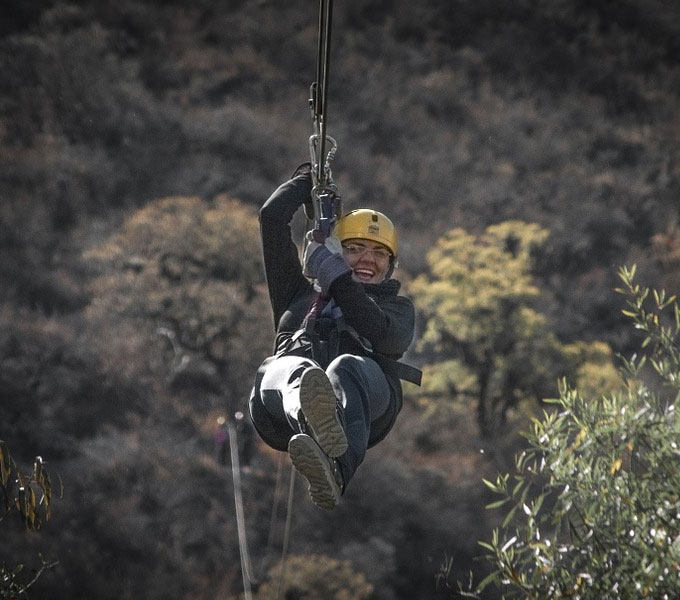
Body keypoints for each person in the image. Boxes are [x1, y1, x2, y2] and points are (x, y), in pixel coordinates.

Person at [249, 163, 420, 510]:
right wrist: (307, 182)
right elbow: (272, 218)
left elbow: (381, 334)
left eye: (379, 253)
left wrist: (334, 275)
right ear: (335, 249)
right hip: (281, 412)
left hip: (363, 408)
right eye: (355, 248)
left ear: (391, 265)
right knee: (289, 367)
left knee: (345, 366)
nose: (367, 260)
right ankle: (311, 417)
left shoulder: (398, 309)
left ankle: (336, 468)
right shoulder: (296, 294)